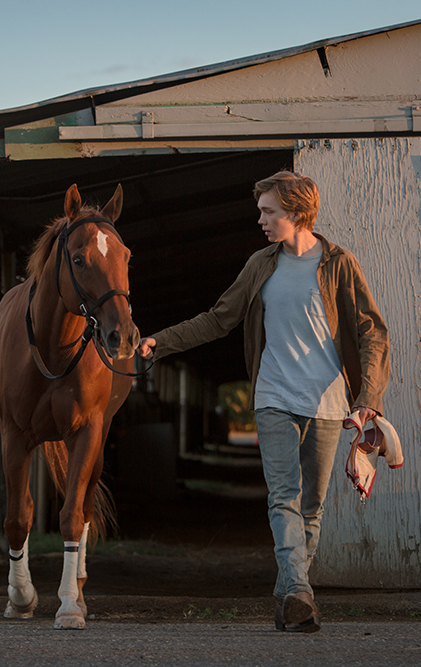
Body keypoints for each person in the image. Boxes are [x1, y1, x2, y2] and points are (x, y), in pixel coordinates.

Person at [137, 170, 389, 633]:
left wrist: (368, 397)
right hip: (273, 395)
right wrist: (161, 342)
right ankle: (300, 591)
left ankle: (289, 596)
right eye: (261, 212)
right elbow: (219, 319)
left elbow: (371, 332)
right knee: (283, 497)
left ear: (296, 213)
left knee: (311, 505)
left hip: (329, 403)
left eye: (268, 212)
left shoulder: (338, 264)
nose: (261, 220)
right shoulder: (260, 265)